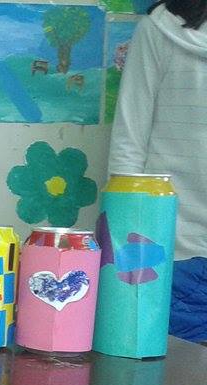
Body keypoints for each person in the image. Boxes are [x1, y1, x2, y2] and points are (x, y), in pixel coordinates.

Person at [108, 0, 207, 343]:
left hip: (170, 251)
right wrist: (127, 247)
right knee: (167, 369)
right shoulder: (160, 27)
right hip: (170, 254)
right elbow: (128, 142)